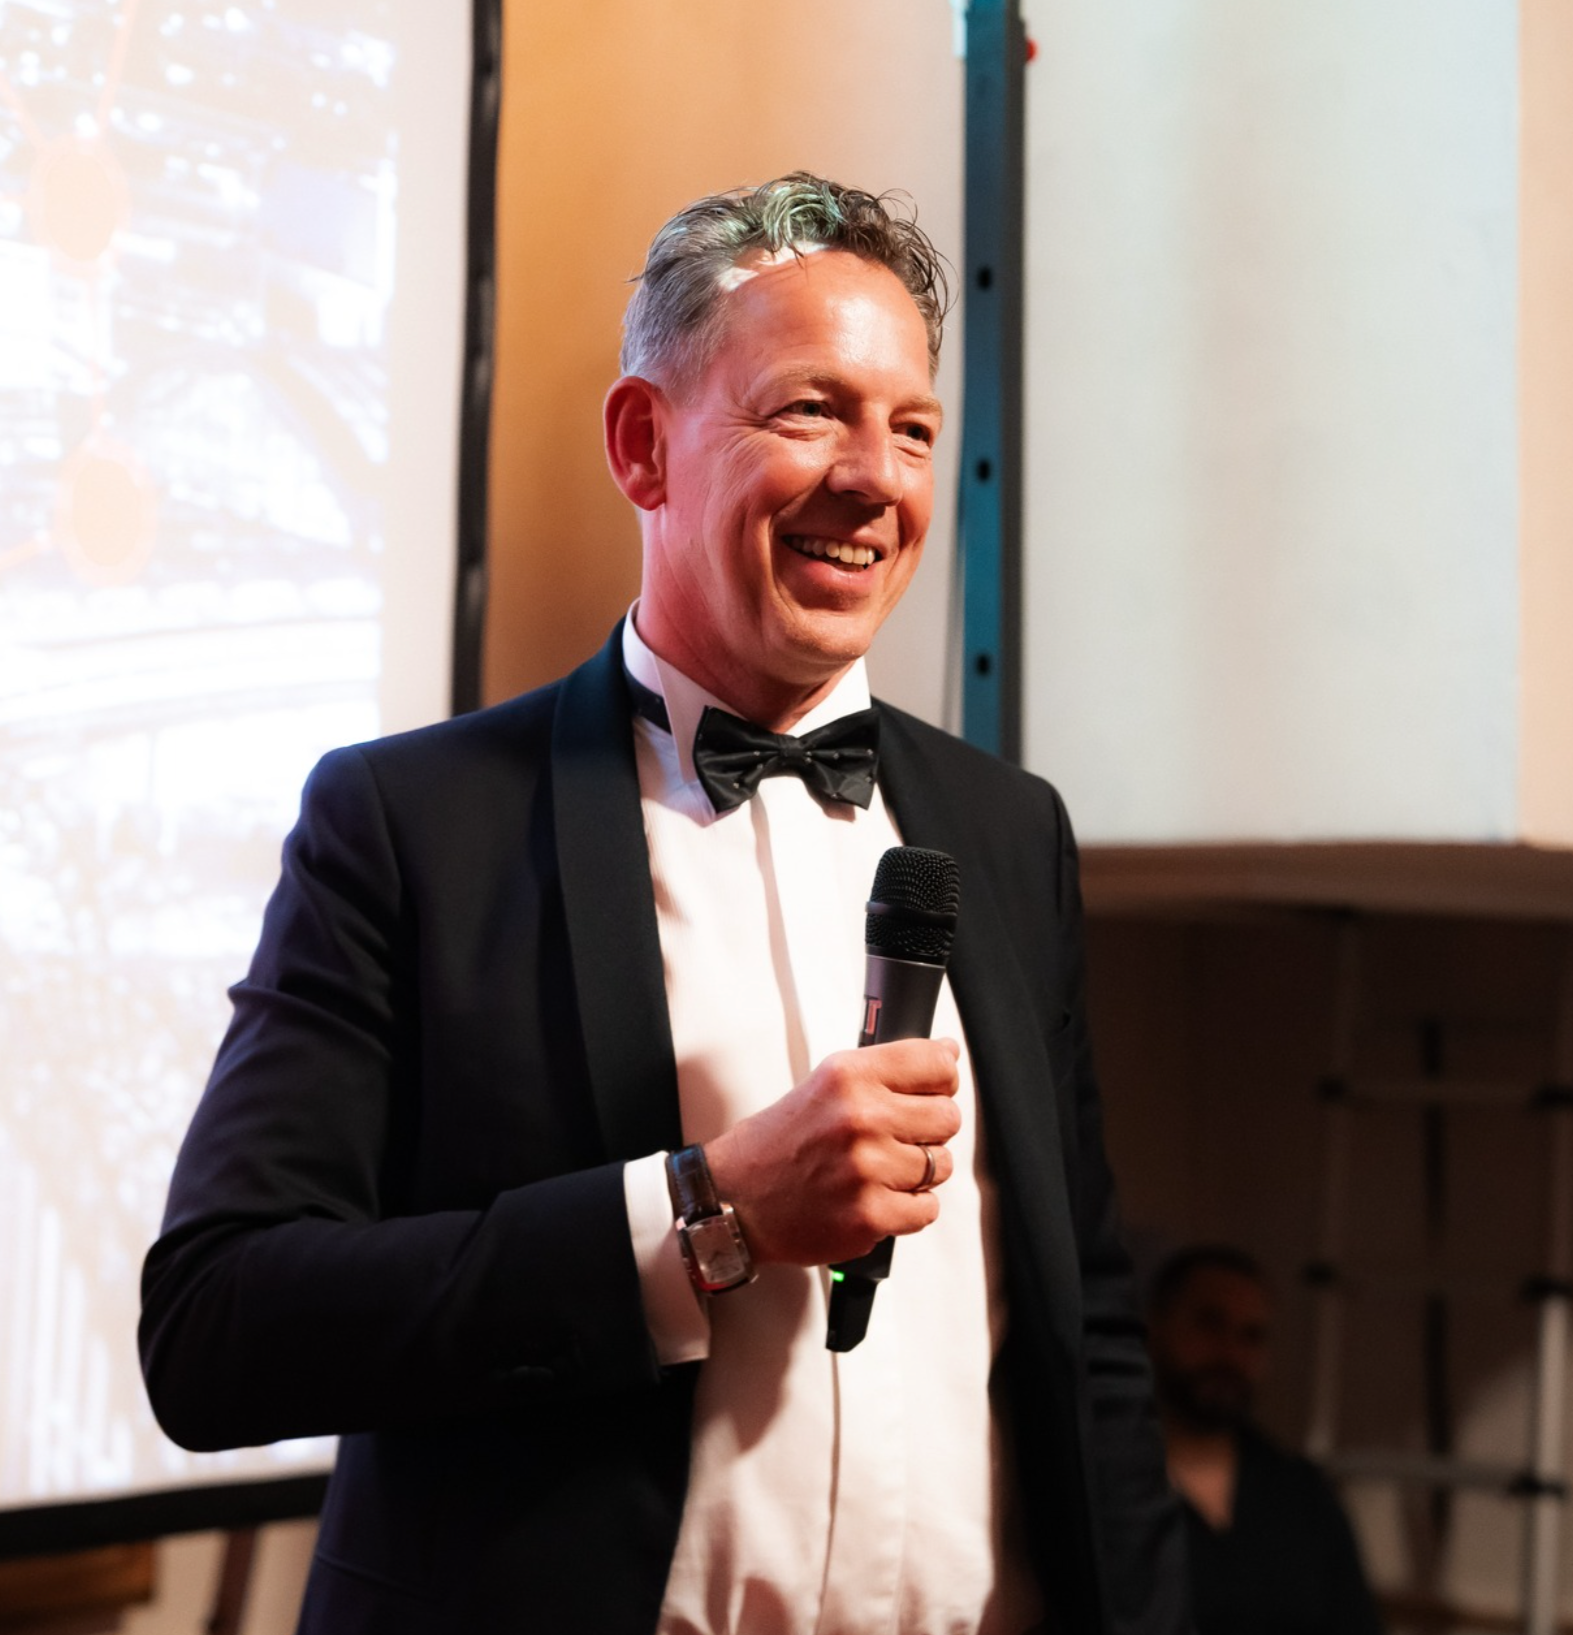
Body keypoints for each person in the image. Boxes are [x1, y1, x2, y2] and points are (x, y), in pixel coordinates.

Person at [140, 173, 1187, 1635]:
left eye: (913, 428)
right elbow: (218, 1326)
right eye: (808, 411)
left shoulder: (1012, 830)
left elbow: (1091, 1340)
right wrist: (710, 1210)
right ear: (645, 445)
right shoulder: (409, 824)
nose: (874, 478)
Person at [1146, 1245, 1383, 1635]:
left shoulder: (1302, 1494)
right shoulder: (1109, 1486)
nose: (1230, 1354)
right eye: (1210, 1324)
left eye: (1251, 1336)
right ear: (1157, 1327)